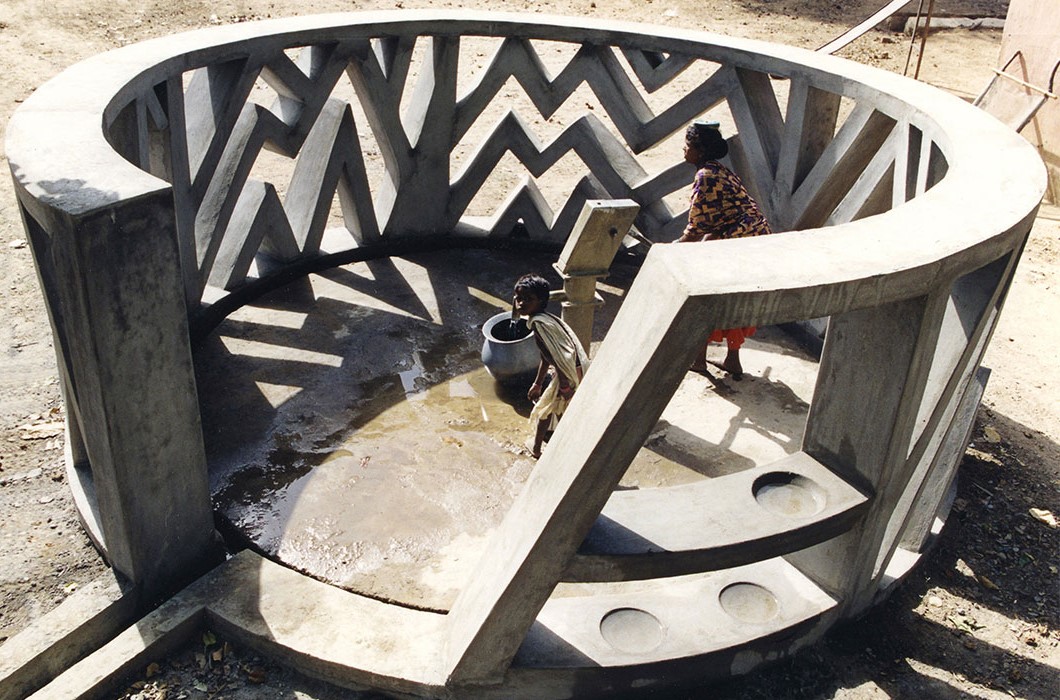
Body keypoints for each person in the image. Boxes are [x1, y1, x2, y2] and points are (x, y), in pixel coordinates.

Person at [676, 120, 774, 380]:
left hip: (739, 243)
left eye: (687, 145)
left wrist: (673, 249)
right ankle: (732, 360)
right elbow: (714, 221)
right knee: (734, 300)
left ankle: (698, 359)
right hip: (752, 240)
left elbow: (697, 226)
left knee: (707, 297)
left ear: (699, 150)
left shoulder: (705, 177)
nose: (683, 150)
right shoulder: (719, 170)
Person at [512, 274, 589, 458]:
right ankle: (540, 447)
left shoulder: (540, 325)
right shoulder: (546, 319)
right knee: (548, 408)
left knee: (553, 412)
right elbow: (546, 356)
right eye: (519, 298)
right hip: (574, 369)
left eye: (528, 300)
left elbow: (558, 356)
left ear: (541, 301)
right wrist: (538, 383)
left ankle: (562, 452)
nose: (521, 303)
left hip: (568, 374)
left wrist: (564, 386)